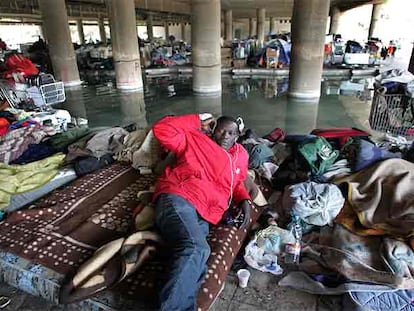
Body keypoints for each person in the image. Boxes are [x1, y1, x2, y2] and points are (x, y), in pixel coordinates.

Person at [152, 113, 252, 311]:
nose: (225, 135)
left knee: (200, 256)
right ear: (213, 129)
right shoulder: (193, 140)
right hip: (178, 198)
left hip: (206, 212)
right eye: (221, 129)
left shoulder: (241, 155)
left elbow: (236, 182)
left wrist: (244, 199)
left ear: (237, 137)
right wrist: (198, 119)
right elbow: (161, 130)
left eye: (231, 133)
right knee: (195, 248)